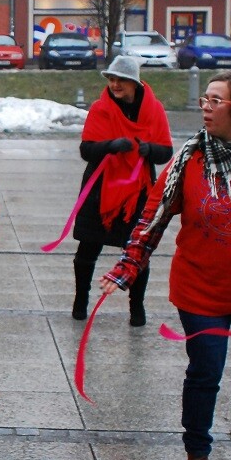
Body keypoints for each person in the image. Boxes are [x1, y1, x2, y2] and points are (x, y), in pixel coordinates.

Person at [101, 71, 231, 460]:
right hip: (200, 289)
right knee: (207, 372)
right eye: (204, 98)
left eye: (216, 100)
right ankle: (198, 455)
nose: (205, 106)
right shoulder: (189, 159)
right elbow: (153, 218)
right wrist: (127, 267)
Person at [72, 55, 172, 325]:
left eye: (121, 80)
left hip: (136, 193)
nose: (115, 85)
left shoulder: (153, 110)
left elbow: (166, 151)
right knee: (86, 250)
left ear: (134, 83)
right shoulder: (100, 108)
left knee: (137, 253)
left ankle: (136, 307)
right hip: (100, 190)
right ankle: (81, 299)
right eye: (112, 79)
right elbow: (86, 149)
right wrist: (109, 145)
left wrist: (148, 150)